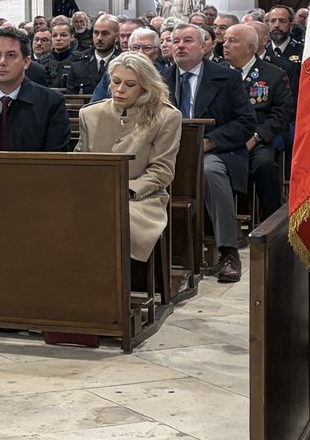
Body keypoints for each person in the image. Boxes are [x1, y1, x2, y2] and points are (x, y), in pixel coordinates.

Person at [164, 24, 256, 283]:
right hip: (168, 151)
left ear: (203, 46)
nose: (180, 46)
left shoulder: (226, 77)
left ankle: (228, 252)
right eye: (175, 41)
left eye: (188, 41)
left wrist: (209, 142)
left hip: (213, 150)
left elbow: (245, 122)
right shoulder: (160, 78)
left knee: (209, 171)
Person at [76, 52, 181, 262]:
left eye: (130, 84)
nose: (120, 90)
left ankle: (113, 287)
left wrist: (128, 191)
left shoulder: (166, 117)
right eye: (115, 82)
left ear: (144, 86)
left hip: (140, 198)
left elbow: (162, 171)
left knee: (110, 216)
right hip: (93, 193)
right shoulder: (90, 114)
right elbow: (80, 162)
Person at [222, 24, 293, 222]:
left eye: (232, 41)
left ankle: (269, 226)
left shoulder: (273, 74)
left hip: (257, 138)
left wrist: (256, 136)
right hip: (223, 138)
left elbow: (282, 113)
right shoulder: (216, 73)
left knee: (264, 165)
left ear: (250, 48)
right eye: (225, 40)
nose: (225, 45)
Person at [0, 26, 69, 151]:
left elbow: (55, 157)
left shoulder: (51, 103)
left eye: (10, 55)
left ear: (26, 62)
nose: (2, 62)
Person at [91, 27, 162, 103]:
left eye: (147, 48)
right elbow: (95, 105)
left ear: (156, 50)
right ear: (129, 49)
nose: (140, 52)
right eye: (136, 47)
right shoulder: (113, 74)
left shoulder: (165, 75)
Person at [62, 15, 121, 95]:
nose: (99, 38)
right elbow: (72, 98)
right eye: (96, 33)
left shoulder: (122, 61)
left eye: (105, 33)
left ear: (116, 37)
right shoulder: (78, 62)